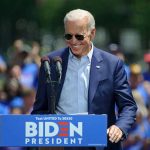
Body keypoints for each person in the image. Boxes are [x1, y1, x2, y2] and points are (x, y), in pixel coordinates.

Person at [31, 9, 137, 150]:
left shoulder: (112, 64)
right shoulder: (50, 62)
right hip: (62, 144)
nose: (73, 41)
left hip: (100, 143)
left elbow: (128, 106)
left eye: (79, 36)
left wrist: (119, 127)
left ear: (92, 33)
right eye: (68, 36)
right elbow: (40, 109)